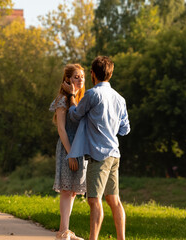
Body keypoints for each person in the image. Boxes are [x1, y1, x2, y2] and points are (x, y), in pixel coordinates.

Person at [64, 56, 130, 240]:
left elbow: (75, 116)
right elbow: (125, 129)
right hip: (114, 154)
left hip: (99, 155)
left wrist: (70, 95)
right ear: (110, 73)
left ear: (92, 74)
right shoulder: (120, 98)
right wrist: (110, 125)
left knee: (94, 200)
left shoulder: (92, 95)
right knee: (113, 200)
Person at [49, 64, 87, 240]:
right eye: (76, 77)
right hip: (68, 148)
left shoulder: (81, 100)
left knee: (73, 191)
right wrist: (71, 153)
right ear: (67, 80)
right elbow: (62, 130)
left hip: (80, 149)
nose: (80, 80)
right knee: (66, 189)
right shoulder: (62, 100)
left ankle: (65, 229)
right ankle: (62, 231)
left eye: (82, 77)